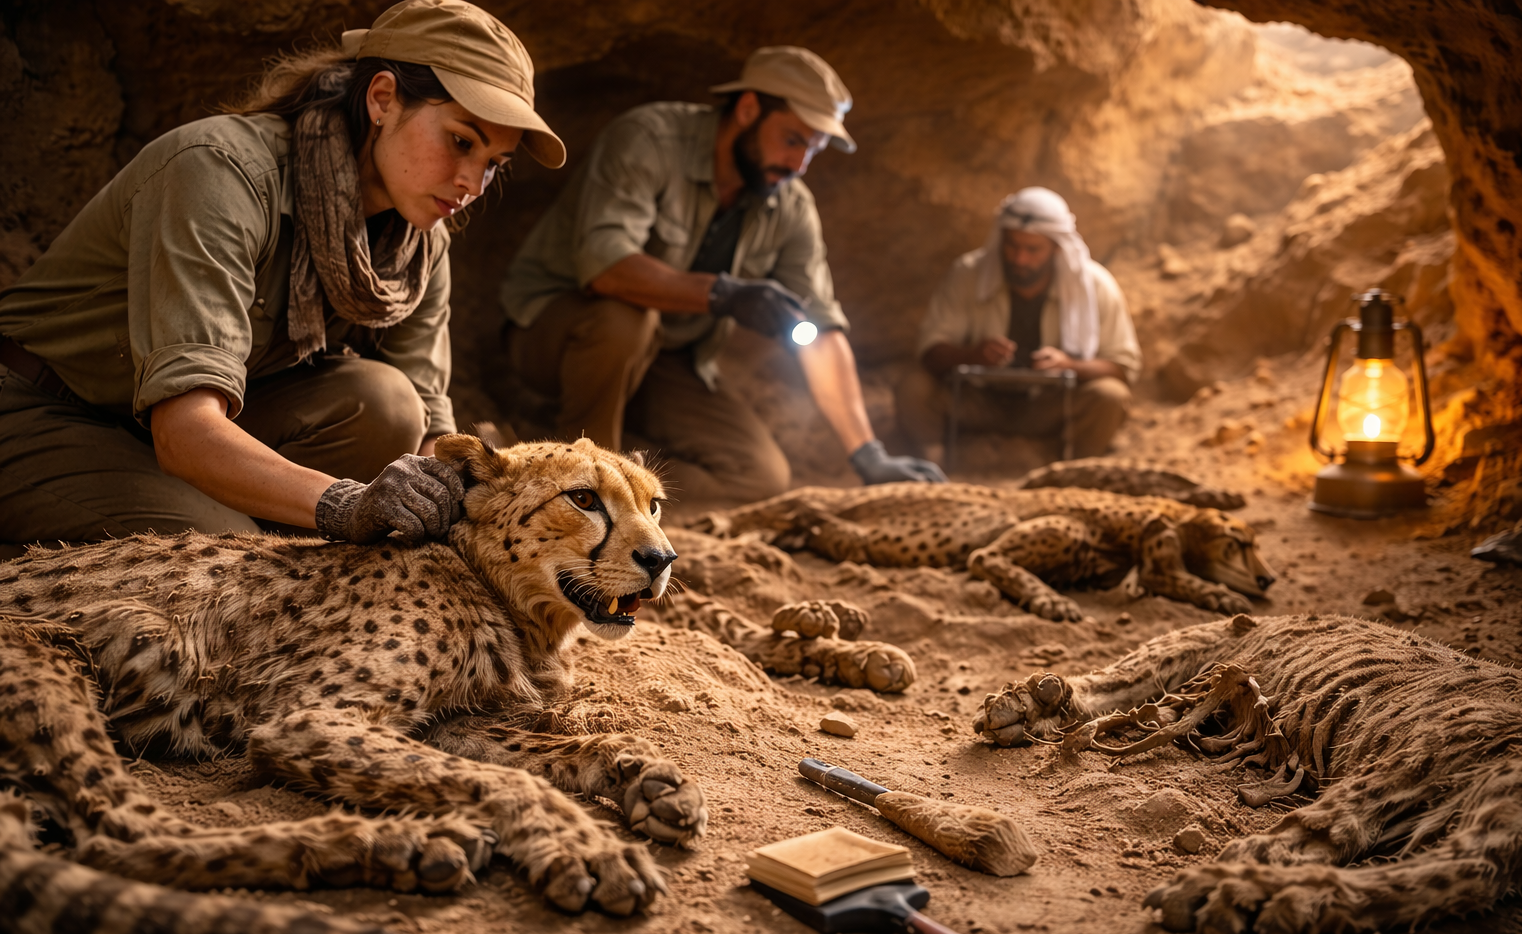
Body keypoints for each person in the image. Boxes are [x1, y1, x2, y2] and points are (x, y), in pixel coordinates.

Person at [0, 0, 566, 549]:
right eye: (461, 141)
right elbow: (186, 430)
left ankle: (214, 518)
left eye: (492, 164)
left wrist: (482, 513)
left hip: (158, 432)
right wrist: (345, 504)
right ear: (383, 99)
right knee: (229, 553)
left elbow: (426, 439)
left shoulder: (418, 244)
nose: (471, 183)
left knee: (386, 402)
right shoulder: (221, 172)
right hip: (41, 411)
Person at [497, 45, 944, 504]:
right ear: (748, 109)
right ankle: (581, 489)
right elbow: (605, 267)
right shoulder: (649, 139)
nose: (800, 163)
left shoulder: (790, 206)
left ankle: (600, 474)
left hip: (667, 361)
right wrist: (722, 293)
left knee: (759, 476)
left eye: (814, 147)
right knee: (626, 321)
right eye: (793, 139)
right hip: (558, 337)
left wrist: (868, 455)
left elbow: (822, 327)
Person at [897, 187, 1141, 464]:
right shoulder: (967, 274)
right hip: (979, 401)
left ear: (1057, 249)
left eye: (1033, 250)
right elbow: (930, 351)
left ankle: (1077, 470)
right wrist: (971, 356)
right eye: (1012, 246)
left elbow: (1122, 368)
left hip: (1051, 405)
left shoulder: (1096, 286)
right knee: (914, 386)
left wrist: (1070, 367)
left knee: (1110, 395)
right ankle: (931, 469)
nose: (1019, 259)